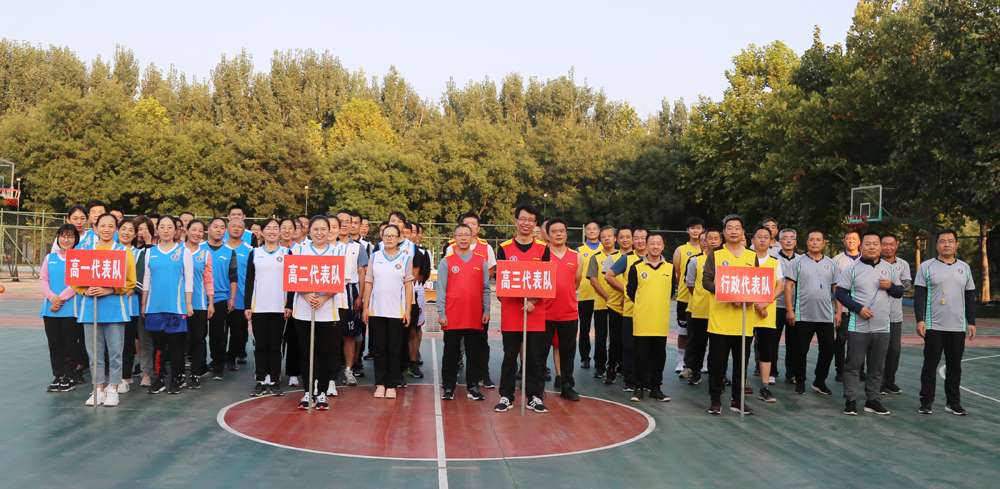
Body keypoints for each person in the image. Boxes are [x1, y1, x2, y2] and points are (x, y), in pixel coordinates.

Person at [834, 231, 902, 416]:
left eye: (875, 244)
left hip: (882, 326)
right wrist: (858, 309)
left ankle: (873, 400)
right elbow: (840, 293)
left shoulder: (889, 269)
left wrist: (891, 286)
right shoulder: (852, 269)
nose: (872, 247)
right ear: (861, 246)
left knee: (877, 366)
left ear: (880, 247)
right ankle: (850, 400)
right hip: (859, 326)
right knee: (853, 365)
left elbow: (899, 292)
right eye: (868, 244)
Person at [75, 213, 137, 407]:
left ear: (115, 229)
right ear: (95, 228)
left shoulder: (123, 251)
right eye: (102, 225)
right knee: (94, 353)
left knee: (116, 351)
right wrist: (84, 290)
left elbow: (131, 282)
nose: (106, 229)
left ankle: (113, 388)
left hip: (115, 309)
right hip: (90, 309)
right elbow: (75, 279)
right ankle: (98, 388)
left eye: (111, 226)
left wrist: (110, 290)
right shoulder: (85, 251)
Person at [916, 229, 977, 416]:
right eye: (942, 241)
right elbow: (919, 295)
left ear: (956, 244)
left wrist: (971, 322)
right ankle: (926, 402)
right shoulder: (926, 267)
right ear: (937, 245)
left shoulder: (965, 268)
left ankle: (953, 403)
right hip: (934, 325)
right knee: (930, 365)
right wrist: (920, 320)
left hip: (957, 326)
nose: (947, 244)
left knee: (955, 366)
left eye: (950, 241)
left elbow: (970, 296)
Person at [495, 205, 549, 412]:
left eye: (531, 220)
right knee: (509, 355)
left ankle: (534, 396)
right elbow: (501, 281)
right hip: (512, 311)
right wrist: (511, 299)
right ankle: (506, 396)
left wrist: (533, 300)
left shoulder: (543, 248)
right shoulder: (504, 248)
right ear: (516, 220)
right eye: (523, 219)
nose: (526, 223)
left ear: (535, 224)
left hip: (535, 311)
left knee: (534, 356)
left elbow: (546, 280)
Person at [702, 215, 756, 415]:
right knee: (717, 364)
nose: (733, 231)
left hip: (744, 322)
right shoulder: (715, 254)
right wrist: (728, 294)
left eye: (737, 228)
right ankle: (715, 400)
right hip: (720, 321)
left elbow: (756, 283)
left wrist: (751, 298)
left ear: (742, 232)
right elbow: (706, 281)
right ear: (724, 232)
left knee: (741, 365)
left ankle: (737, 400)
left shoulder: (751, 256)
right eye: (730, 228)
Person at [289, 216, 341, 410]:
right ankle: (308, 391)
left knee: (325, 352)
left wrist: (324, 298)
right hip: (303, 310)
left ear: (329, 231)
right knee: (306, 351)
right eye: (316, 229)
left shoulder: (337, 251)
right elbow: (292, 276)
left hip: (327, 310)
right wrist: (305, 293)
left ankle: (322, 393)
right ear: (309, 231)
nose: (319, 233)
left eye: (323, 229)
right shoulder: (299, 250)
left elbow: (338, 281)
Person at [442, 212, 497, 389]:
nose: (469, 228)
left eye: (473, 224)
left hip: (476, 306)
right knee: (453, 346)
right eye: (466, 224)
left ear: (478, 228)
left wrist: (476, 282)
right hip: (455, 308)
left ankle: (482, 375)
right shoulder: (451, 248)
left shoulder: (486, 248)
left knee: (479, 344)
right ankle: (452, 378)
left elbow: (489, 273)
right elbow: (446, 279)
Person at [142, 216, 194, 395]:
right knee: (158, 346)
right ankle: (160, 378)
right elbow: (146, 280)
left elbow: (189, 280)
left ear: (176, 230)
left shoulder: (184, 251)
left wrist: (188, 304)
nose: (166, 230)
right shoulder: (150, 252)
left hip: (176, 307)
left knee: (176, 345)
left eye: (169, 227)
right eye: (162, 227)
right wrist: (144, 304)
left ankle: (176, 378)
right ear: (157, 230)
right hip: (154, 307)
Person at [784, 230, 838, 396]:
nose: (815, 242)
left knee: (828, 349)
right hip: (803, 315)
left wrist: (838, 311)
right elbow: (788, 286)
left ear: (824, 243)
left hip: (826, 316)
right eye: (812, 240)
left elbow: (836, 289)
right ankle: (800, 381)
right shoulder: (798, 262)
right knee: (800, 350)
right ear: (807, 243)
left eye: (818, 240)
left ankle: (819, 381)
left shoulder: (832, 263)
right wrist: (790, 310)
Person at [363, 223, 413, 400]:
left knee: (394, 349)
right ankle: (380, 383)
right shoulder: (375, 257)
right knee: (379, 349)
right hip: (377, 311)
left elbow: (408, 286)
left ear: (399, 238)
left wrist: (408, 310)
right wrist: (366, 307)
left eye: (393, 235)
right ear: (381, 237)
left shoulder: (406, 258)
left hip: (396, 312)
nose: (389, 238)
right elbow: (369, 282)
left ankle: (391, 384)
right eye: (386, 235)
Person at [626, 233, 673, 402]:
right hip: (642, 320)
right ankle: (638, 388)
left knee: (659, 356)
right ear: (646, 246)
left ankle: (656, 388)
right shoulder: (637, 267)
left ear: (663, 246)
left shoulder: (670, 268)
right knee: (640, 356)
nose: (655, 246)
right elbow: (631, 291)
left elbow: (671, 291)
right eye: (651, 243)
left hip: (660, 320)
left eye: (658, 243)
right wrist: (643, 304)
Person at [244, 219, 289, 396]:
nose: (272, 231)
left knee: (276, 346)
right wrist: (248, 305)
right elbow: (249, 281)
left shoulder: (287, 252)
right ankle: (261, 380)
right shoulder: (255, 253)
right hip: (259, 307)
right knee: (260, 346)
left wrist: (289, 304)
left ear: (280, 232)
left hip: (279, 307)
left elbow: (291, 280)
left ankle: (275, 380)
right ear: (261, 232)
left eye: (275, 228)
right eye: (268, 228)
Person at [545, 219, 583, 404]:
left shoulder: (576, 256)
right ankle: (536, 390)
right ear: (548, 235)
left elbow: (576, 282)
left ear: (566, 233)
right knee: (539, 353)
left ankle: (567, 386)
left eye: (562, 230)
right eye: (554, 231)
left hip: (568, 313)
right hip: (545, 313)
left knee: (568, 353)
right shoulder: (542, 255)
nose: (559, 234)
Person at [606, 227, 648, 391]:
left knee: (646, 347)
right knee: (628, 346)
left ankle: (646, 380)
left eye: (643, 238)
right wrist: (627, 290)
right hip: (629, 310)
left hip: (649, 312)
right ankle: (628, 379)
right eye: (636, 238)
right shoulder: (626, 258)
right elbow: (609, 275)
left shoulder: (656, 258)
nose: (640, 241)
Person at [41, 224, 80, 392]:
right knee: (54, 345)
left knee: (70, 345)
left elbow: (77, 283)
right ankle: (58, 376)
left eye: (70, 236)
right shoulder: (49, 258)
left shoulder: (79, 258)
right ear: (58, 237)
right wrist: (52, 298)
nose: (66, 239)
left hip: (71, 310)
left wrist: (61, 299)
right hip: (50, 310)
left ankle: (70, 376)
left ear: (75, 239)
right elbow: (43, 280)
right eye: (63, 236)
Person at [682, 228, 722, 386]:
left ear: (721, 241)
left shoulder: (726, 259)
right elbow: (690, 284)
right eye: (707, 239)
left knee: (718, 347)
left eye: (715, 238)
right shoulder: (695, 261)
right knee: (698, 344)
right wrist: (700, 297)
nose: (711, 241)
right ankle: (695, 372)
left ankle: (718, 375)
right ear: (702, 242)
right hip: (699, 309)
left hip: (720, 310)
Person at [749, 227, 784, 403]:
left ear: (771, 241)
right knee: (742, 350)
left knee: (766, 351)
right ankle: (741, 383)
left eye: (766, 237)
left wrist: (765, 303)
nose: (762, 240)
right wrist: (757, 305)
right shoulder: (745, 260)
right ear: (753, 240)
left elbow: (780, 286)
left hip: (767, 315)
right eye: (759, 237)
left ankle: (765, 387)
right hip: (746, 313)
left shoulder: (775, 262)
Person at [335, 211, 369, 386]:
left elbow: (362, 273)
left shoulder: (358, 247)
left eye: (347, 221)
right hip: (330, 294)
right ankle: (330, 370)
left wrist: (360, 296)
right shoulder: (328, 245)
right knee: (331, 334)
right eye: (340, 221)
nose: (344, 224)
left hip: (350, 293)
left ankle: (348, 369)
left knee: (350, 335)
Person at [202, 218, 238, 380]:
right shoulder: (199, 248)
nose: (219, 230)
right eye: (215, 227)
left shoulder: (230, 251)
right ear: (208, 229)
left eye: (222, 227)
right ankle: (200, 365)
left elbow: (233, 278)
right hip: (199, 299)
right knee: (199, 335)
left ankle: (218, 367)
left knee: (218, 335)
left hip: (221, 298)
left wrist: (232, 298)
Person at [880, 234, 911, 395]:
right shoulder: (874, 263)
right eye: (884, 244)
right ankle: (878, 383)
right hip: (876, 315)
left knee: (894, 350)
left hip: (895, 315)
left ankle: (889, 381)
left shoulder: (903, 264)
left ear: (897, 245)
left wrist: (891, 286)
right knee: (878, 351)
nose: (888, 247)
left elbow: (907, 285)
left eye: (891, 244)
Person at [183, 219, 213, 389]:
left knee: (198, 339)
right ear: (186, 231)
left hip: (199, 304)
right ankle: (179, 374)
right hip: (178, 304)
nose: (197, 233)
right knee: (180, 340)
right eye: (193, 229)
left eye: (200, 231)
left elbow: (208, 279)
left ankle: (196, 373)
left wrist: (211, 302)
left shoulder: (205, 254)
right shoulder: (178, 250)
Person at [586, 226, 618, 380]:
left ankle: (615, 365)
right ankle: (599, 366)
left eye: (609, 236)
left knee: (616, 337)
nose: (606, 239)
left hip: (619, 305)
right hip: (601, 304)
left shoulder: (622, 257)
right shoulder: (595, 257)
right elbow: (593, 280)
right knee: (601, 336)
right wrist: (606, 296)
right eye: (604, 236)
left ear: (615, 238)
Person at [673, 217, 704, 376]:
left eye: (698, 228)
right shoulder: (681, 249)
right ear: (687, 230)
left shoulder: (709, 249)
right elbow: (678, 273)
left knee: (703, 332)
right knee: (683, 331)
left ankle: (702, 362)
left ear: (703, 230)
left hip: (703, 299)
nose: (695, 231)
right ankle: (681, 360)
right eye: (692, 228)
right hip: (685, 297)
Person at [832, 230, 862, 381]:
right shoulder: (837, 260)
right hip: (843, 309)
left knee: (860, 341)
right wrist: (838, 312)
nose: (851, 241)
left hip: (862, 309)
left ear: (859, 241)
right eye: (848, 238)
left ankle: (858, 370)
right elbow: (836, 287)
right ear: (844, 241)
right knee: (841, 340)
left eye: (854, 238)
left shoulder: (866, 259)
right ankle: (840, 370)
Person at [773, 228, 800, 384]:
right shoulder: (773, 258)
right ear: (780, 241)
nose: (788, 240)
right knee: (772, 341)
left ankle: (792, 373)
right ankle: (771, 371)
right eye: (785, 238)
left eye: (792, 238)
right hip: (776, 305)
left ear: (795, 242)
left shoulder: (802, 259)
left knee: (794, 342)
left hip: (796, 307)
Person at [226, 218, 253, 370]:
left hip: (241, 297)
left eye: (240, 227)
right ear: (227, 228)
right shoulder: (221, 247)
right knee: (220, 333)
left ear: (244, 231)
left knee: (238, 332)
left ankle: (231, 358)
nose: (236, 229)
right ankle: (220, 359)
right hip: (222, 296)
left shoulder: (250, 250)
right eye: (233, 226)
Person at [277, 218, 301, 387]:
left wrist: (291, 303)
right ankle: (275, 371)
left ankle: (293, 372)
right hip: (274, 300)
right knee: (276, 339)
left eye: (290, 228)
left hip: (296, 300)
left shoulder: (301, 250)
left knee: (293, 339)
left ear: (295, 230)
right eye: (283, 227)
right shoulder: (271, 248)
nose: (286, 231)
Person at [117, 219, 139, 393]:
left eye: (130, 230)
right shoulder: (110, 251)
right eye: (123, 229)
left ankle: (125, 377)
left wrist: (128, 289)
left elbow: (141, 279)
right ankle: (111, 378)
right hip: (111, 305)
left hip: (131, 306)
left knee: (127, 343)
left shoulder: (139, 254)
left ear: (135, 234)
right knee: (111, 344)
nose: (126, 232)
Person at [576, 220, 601, 369]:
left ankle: (600, 360)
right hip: (584, 295)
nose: (591, 231)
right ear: (585, 231)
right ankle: (585, 357)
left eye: (594, 228)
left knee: (601, 331)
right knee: (584, 328)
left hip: (601, 295)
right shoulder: (579, 250)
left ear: (599, 231)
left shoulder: (606, 248)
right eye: (589, 229)